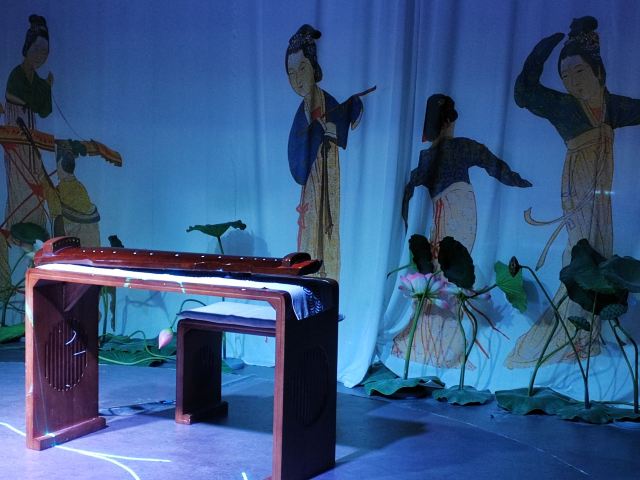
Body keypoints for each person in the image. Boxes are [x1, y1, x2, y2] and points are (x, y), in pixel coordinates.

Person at [506, 16, 640, 368]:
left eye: (579, 72)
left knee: (602, 248)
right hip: (578, 184)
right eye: (565, 76)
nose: (572, 81)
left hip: (603, 193)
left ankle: (589, 335)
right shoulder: (564, 106)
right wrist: (543, 48)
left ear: (598, 72)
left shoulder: (613, 106)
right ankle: (570, 333)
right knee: (579, 250)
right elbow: (524, 93)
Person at [395, 94, 531, 368]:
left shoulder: (427, 158)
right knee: (447, 277)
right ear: (448, 122)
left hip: (450, 215)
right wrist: (518, 180)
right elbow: (491, 162)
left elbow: (408, 190)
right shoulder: (455, 148)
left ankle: (438, 346)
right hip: (455, 215)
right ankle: (439, 348)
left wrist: (405, 218)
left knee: (445, 276)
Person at [286, 24, 363, 281]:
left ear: (314, 67)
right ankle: (310, 282)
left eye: (302, 69)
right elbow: (296, 155)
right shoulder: (302, 112)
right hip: (312, 181)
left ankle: (330, 281)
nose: (298, 79)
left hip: (329, 176)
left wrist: (351, 108)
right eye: (291, 73)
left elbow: (344, 117)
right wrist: (316, 130)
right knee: (311, 231)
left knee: (329, 232)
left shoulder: (326, 100)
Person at [1, 14, 53, 302]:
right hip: (17, 136)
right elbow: (18, 99)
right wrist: (42, 91)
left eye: (45, 52)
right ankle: (17, 233)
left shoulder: (37, 80)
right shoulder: (16, 75)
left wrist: (47, 89)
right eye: (37, 50)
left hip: (30, 136)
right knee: (24, 185)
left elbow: (44, 109)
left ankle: (33, 240)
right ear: (27, 49)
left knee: (37, 186)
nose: (41, 55)